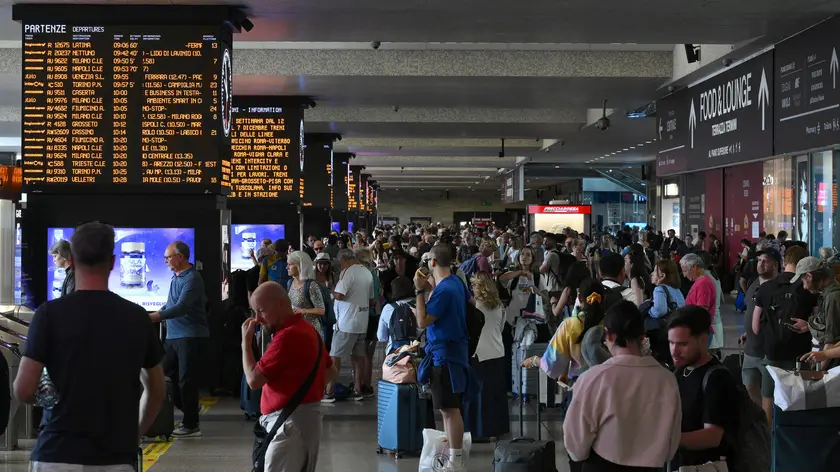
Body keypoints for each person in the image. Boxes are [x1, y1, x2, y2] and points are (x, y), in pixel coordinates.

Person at [14, 222, 166, 470]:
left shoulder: (48, 315)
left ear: (72, 261)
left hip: (57, 453)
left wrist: (51, 398)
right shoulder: (137, 318)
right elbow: (157, 391)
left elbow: (23, 389)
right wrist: (133, 435)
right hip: (116, 456)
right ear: (113, 262)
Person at [564, 301, 681, 471]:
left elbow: (576, 445)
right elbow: (671, 443)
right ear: (643, 335)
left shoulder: (593, 379)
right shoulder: (667, 380)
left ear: (609, 335)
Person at [242, 282, 337, 472]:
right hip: (302, 422)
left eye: (261, 311)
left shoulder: (287, 337)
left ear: (279, 305)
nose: (257, 319)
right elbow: (331, 371)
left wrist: (245, 343)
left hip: (289, 426)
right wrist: (302, 390)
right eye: (254, 312)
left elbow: (253, 380)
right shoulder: (306, 329)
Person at [414, 245, 477, 472]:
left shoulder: (444, 291)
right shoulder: (456, 283)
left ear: (432, 262)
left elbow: (422, 321)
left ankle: (456, 460)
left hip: (444, 356)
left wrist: (419, 291)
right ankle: (453, 456)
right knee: (447, 409)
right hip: (455, 350)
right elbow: (471, 303)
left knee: (450, 410)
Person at [149, 241, 209, 437]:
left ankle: (191, 425)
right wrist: (155, 314)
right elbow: (170, 305)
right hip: (173, 336)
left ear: (180, 257)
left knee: (186, 380)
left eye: (168, 257)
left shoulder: (192, 278)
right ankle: (189, 407)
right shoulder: (176, 278)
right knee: (163, 376)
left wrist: (153, 318)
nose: (165, 261)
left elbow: (181, 307)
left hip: (190, 336)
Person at [668, 306, 738, 470]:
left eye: (683, 344)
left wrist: (667, 440)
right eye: (671, 343)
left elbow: (712, 436)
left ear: (703, 340)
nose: (674, 351)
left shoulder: (717, 378)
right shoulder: (679, 371)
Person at [323, 249, 374, 402]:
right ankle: (358, 389)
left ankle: (329, 391)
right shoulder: (367, 272)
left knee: (335, 356)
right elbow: (371, 300)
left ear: (344, 259)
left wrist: (330, 290)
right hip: (362, 321)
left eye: (340, 263)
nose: (340, 266)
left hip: (346, 323)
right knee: (358, 356)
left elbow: (339, 295)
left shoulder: (348, 272)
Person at [286, 251, 326, 336]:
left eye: (290, 264)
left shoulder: (311, 285)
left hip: (311, 331)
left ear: (299, 265)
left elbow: (321, 310)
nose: (287, 267)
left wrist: (304, 311)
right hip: (297, 328)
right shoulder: (290, 283)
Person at [679, 253, 717, 341]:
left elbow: (701, 313)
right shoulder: (700, 282)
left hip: (698, 334)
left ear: (694, 267)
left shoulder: (703, 284)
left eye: (685, 271)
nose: (684, 275)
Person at [378, 276, 417, 354]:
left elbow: (381, 337)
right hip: (419, 350)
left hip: (396, 351)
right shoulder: (421, 305)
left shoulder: (388, 308)